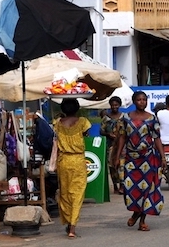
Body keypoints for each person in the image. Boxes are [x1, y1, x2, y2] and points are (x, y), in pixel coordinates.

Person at [113, 91, 165, 232]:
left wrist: (163, 157)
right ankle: (136, 213)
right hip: (131, 159)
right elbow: (123, 138)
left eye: (144, 99)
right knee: (131, 189)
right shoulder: (126, 118)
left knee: (147, 190)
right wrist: (117, 157)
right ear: (134, 101)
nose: (142, 102)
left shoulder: (151, 118)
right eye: (139, 100)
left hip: (148, 159)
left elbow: (157, 138)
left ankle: (142, 220)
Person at [54, 98, 91, 238]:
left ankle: (68, 221)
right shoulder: (83, 122)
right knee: (77, 193)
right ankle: (72, 227)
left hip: (63, 161)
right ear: (77, 108)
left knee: (64, 193)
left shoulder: (57, 123)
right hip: (78, 161)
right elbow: (87, 134)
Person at [100, 96, 123, 194]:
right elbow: (101, 131)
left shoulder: (124, 117)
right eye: (113, 105)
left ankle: (122, 185)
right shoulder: (106, 118)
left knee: (122, 164)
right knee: (112, 165)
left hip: (122, 145)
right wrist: (108, 134)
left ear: (119, 105)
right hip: (110, 145)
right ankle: (115, 186)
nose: (114, 107)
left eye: (116, 105)